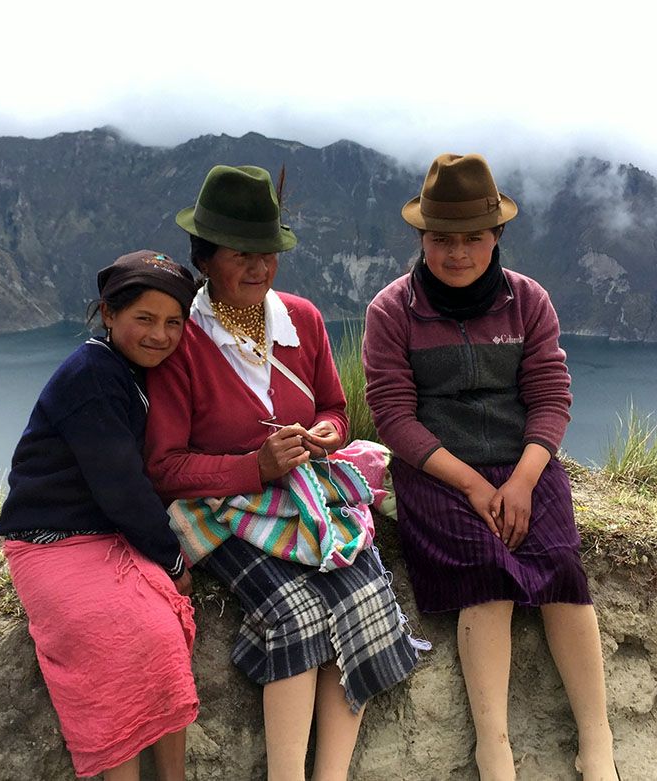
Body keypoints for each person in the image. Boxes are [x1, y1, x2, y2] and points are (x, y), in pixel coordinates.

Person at [145, 165, 422, 781]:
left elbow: (333, 407)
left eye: (266, 253)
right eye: (240, 254)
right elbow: (163, 466)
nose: (258, 268)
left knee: (365, 601)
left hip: (303, 495)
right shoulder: (182, 341)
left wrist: (329, 433)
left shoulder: (301, 320)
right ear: (206, 259)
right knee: (296, 612)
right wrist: (253, 467)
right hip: (221, 507)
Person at [362, 154, 619, 781]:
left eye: (472, 237)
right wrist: (476, 484)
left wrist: (526, 479)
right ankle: (493, 746)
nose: (457, 253)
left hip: (526, 459)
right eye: (441, 239)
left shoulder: (528, 300)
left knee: (561, 568)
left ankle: (598, 738)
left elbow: (551, 396)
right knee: (488, 572)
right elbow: (394, 416)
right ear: (421, 238)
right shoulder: (391, 311)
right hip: (437, 469)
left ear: (496, 236)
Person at [0, 250, 201, 781]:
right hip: (50, 542)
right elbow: (120, 485)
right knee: (111, 640)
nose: (161, 334)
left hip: (100, 536)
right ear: (109, 315)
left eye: (174, 323)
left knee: (160, 634)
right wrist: (173, 557)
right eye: (145, 319)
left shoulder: (123, 368)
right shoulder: (93, 376)